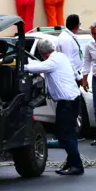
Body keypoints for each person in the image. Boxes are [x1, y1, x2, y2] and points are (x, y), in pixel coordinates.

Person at [24, 39, 84, 176]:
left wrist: (21, 66)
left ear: (41, 53)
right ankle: (72, 162)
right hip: (72, 99)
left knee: (64, 134)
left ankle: (76, 165)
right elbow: (42, 65)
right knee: (68, 133)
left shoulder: (52, 62)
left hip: (67, 101)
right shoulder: (60, 57)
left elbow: (37, 67)